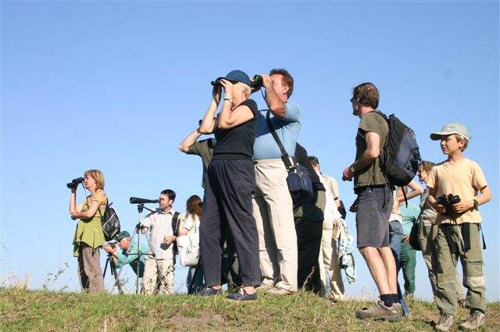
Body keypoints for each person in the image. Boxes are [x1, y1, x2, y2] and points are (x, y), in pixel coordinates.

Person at [198, 70, 260, 301]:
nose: (227, 88)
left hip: (237, 166)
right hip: (217, 167)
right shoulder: (225, 106)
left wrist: (226, 98)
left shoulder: (250, 106)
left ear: (242, 87)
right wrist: (215, 100)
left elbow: (225, 122)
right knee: (209, 227)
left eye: (230, 84)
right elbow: (205, 128)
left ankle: (250, 287)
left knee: (242, 224)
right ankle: (213, 284)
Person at [342, 82, 401, 321]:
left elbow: (373, 151)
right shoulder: (383, 119)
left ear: (359, 99)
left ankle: (386, 302)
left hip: (373, 189)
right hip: (385, 190)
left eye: (352, 100)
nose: (351, 105)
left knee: (367, 245)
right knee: (383, 245)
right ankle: (394, 301)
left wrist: (351, 169)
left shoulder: (368, 120)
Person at [426, 123, 491, 331]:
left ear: (461, 142)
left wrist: (471, 203)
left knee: (473, 268)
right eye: (441, 140)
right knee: (444, 269)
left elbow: (487, 193)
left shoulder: (472, 166)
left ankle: (477, 312)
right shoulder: (436, 169)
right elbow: (429, 195)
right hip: (443, 225)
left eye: (447, 139)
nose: (443, 143)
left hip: (469, 222)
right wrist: (436, 205)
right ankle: (447, 314)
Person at [252, 68, 301, 295]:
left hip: (275, 169)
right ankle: (268, 277)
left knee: (281, 226)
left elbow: (275, 107)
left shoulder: (291, 110)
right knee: (261, 229)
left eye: (273, 82)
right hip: (253, 170)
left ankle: (288, 282)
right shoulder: (259, 113)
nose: (267, 85)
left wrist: (266, 85)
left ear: (286, 88)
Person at [178, 127, 241, 289]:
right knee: (211, 238)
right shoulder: (207, 145)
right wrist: (200, 129)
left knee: (233, 239)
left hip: (232, 192)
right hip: (211, 194)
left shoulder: (235, 143)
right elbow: (183, 146)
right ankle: (214, 283)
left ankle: (236, 282)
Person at [416, 161, 465, 304]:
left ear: (429, 171)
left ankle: (457, 296)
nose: (419, 174)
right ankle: (440, 296)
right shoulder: (426, 191)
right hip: (425, 227)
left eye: (421, 171)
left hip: (435, 226)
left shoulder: (436, 189)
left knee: (443, 262)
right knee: (432, 263)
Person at [310, 156, 345, 301]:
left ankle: (323, 291)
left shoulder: (308, 176)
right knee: (331, 259)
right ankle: (337, 293)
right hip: (331, 219)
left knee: (318, 258)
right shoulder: (326, 179)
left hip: (320, 219)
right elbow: (335, 203)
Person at [293, 145, 325, 293]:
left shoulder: (292, 147)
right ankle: (313, 289)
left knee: (304, 247)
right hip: (313, 196)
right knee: (309, 249)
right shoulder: (297, 148)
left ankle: (305, 287)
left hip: (308, 199)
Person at [69, 169, 107, 293]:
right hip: (84, 233)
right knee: (82, 267)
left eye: (87, 178)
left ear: (96, 180)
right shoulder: (88, 198)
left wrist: (78, 214)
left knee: (92, 266)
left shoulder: (100, 194)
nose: (84, 181)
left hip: (92, 233)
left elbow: (90, 213)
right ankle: (87, 293)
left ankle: (98, 294)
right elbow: (72, 212)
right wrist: (73, 191)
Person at [138, 189, 180, 295]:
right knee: (147, 284)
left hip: (167, 255)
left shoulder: (177, 216)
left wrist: (173, 238)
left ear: (170, 201)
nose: (160, 201)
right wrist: (141, 224)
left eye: (163, 199)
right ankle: (145, 306)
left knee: (167, 285)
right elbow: (142, 230)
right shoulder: (153, 213)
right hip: (152, 254)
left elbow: (182, 235)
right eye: (159, 199)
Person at [178, 195, 204, 294]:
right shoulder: (203, 215)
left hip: (194, 248)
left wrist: (180, 222)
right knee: (200, 269)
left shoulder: (192, 216)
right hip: (203, 245)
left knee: (194, 270)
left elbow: (183, 232)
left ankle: (194, 291)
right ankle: (199, 290)